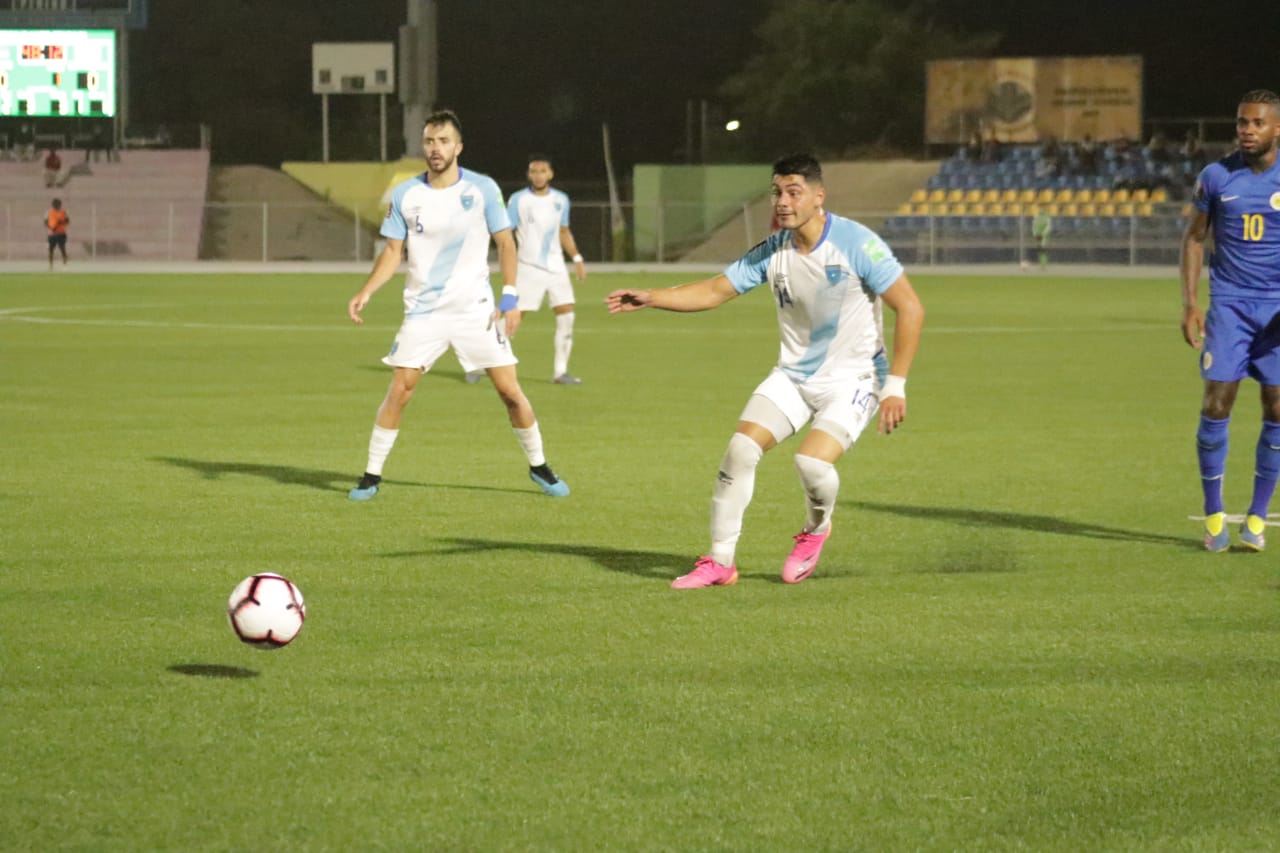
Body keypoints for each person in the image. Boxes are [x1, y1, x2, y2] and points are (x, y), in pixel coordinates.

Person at [606, 153, 924, 588]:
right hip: (793, 376)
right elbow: (716, 290)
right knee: (739, 450)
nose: (782, 201)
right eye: (776, 191)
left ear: (818, 196)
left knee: (811, 465)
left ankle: (815, 530)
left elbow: (910, 307)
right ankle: (720, 563)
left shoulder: (857, 243)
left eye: (794, 192)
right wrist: (652, 297)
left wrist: (896, 387)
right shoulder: (773, 250)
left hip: (855, 381)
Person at [345, 109, 569, 500]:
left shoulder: (482, 189)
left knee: (511, 393)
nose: (435, 148)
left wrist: (511, 295)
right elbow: (393, 251)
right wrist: (367, 290)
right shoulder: (406, 194)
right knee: (400, 390)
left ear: (458, 147)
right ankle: (371, 475)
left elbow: (505, 242)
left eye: (443, 141)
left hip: (475, 311)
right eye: (430, 141)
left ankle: (540, 467)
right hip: (424, 311)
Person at [1181, 89, 1280, 552]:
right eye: (1242, 122)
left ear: (1276, 128)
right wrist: (1190, 303)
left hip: (1277, 310)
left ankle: (1257, 518)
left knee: (1277, 409)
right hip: (1230, 306)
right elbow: (1195, 239)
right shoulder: (1216, 176)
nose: (1247, 130)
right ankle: (1215, 513)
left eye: (1257, 123)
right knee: (1216, 406)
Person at [463, 154, 587, 384]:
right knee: (512, 315)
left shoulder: (561, 200)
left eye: (542, 171)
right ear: (529, 174)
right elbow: (505, 232)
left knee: (567, 315)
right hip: (529, 267)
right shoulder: (518, 200)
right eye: (533, 171)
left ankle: (560, 372)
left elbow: (563, 231)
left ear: (550, 174)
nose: (538, 175)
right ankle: (479, 363)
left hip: (557, 268)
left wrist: (577, 258)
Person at [45, 198, 69, 268]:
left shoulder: (63, 212)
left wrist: (61, 222)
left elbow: (67, 220)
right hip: (52, 234)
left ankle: (65, 263)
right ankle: (50, 265)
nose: (57, 206)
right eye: (56, 204)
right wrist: (51, 227)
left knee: (62, 249)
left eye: (58, 204)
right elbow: (45, 221)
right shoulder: (49, 212)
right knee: (50, 250)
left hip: (61, 233)